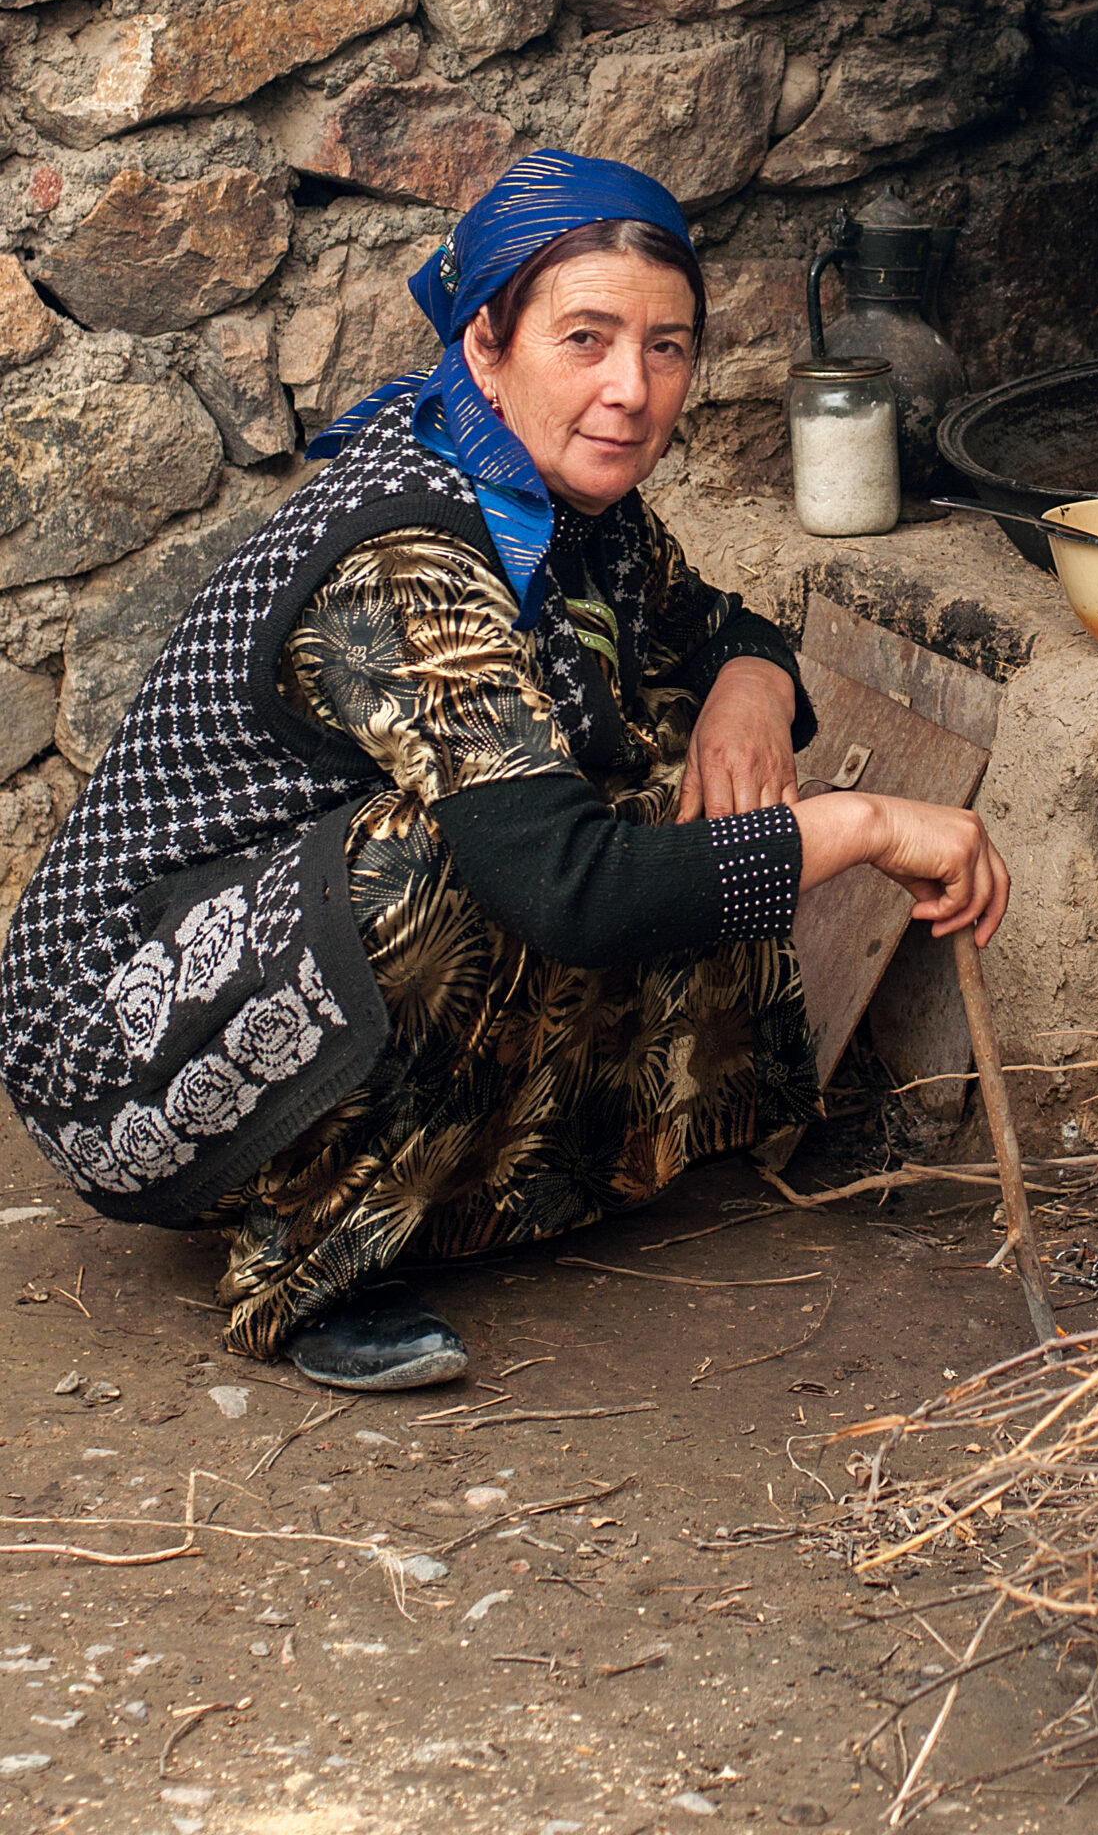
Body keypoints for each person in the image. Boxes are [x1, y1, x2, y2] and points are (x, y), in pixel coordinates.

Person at [0, 150, 1008, 1392]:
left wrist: (751, 691)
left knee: (648, 758)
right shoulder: (409, 554)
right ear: (486, 344)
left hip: (245, 983)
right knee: (456, 861)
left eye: (667, 348)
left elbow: (721, 626)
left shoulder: (576, 513)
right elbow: (563, 893)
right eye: (584, 338)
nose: (630, 390)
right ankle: (309, 1265)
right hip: (115, 1053)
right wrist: (859, 825)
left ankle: (543, 1169)